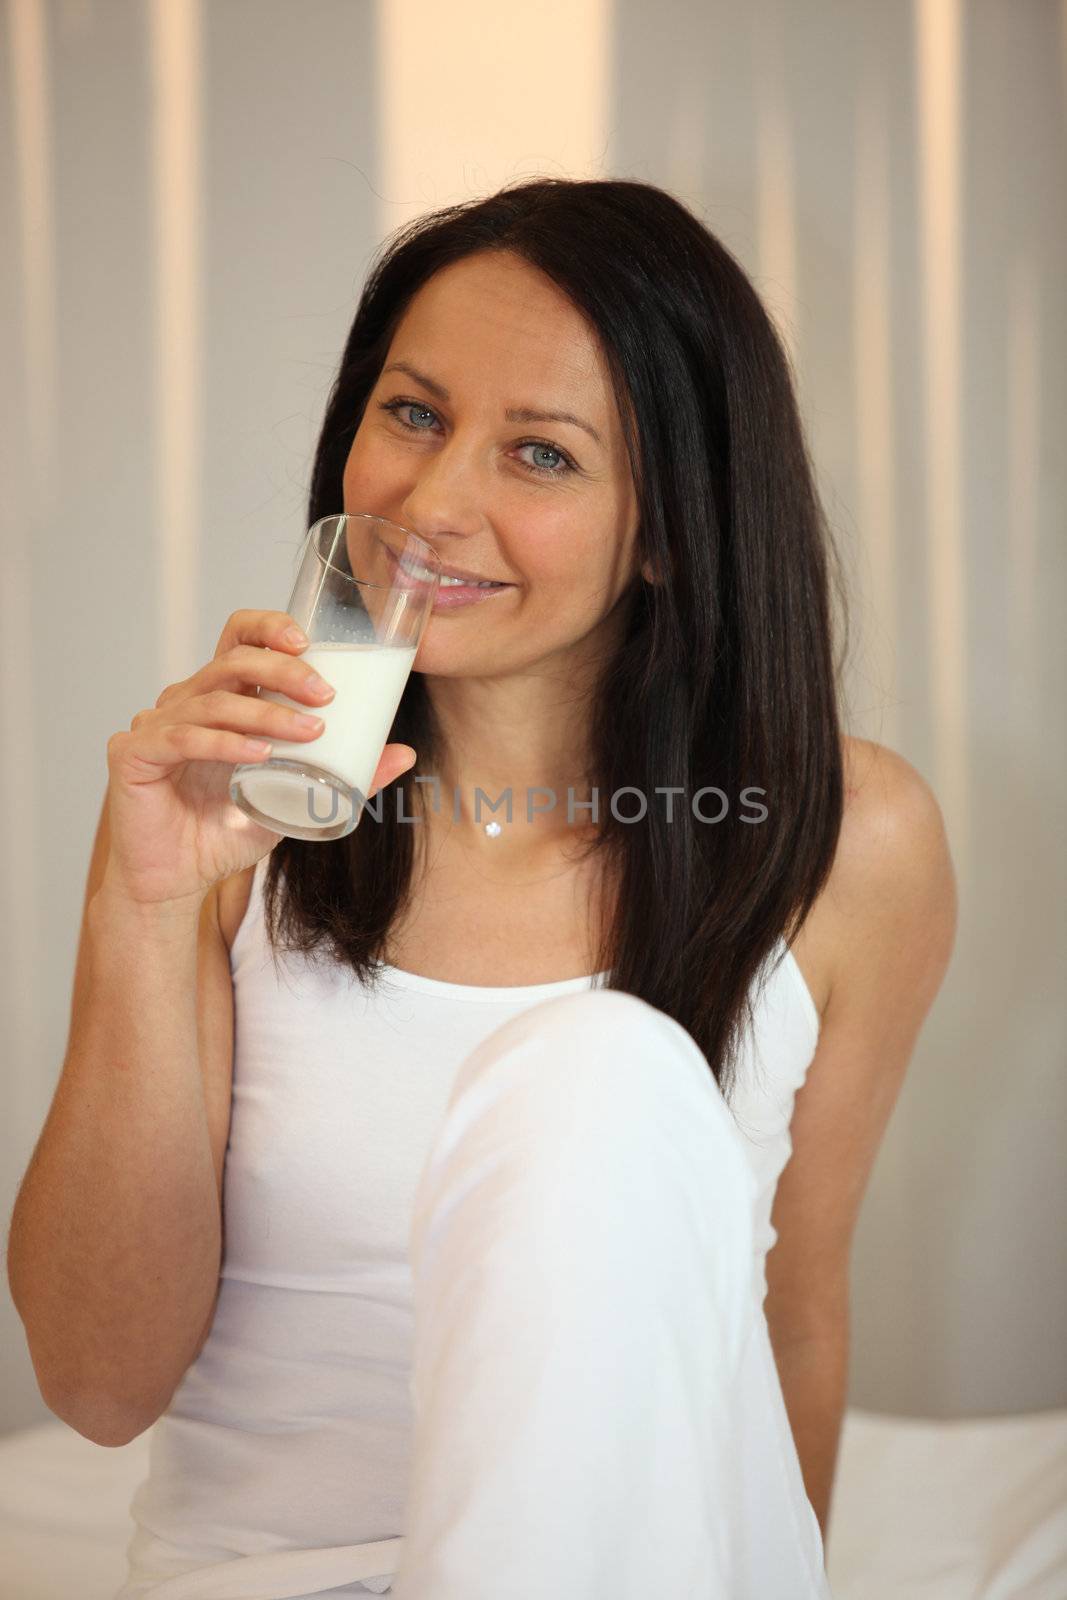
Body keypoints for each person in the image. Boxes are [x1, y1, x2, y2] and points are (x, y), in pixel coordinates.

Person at [8, 177, 957, 1599]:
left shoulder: (847, 839)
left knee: (600, 1075)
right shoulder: (221, 818)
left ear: (668, 528)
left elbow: (788, 1315)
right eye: (413, 413)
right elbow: (93, 1383)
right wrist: (142, 905)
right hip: (276, 1578)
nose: (432, 504)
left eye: (542, 455)